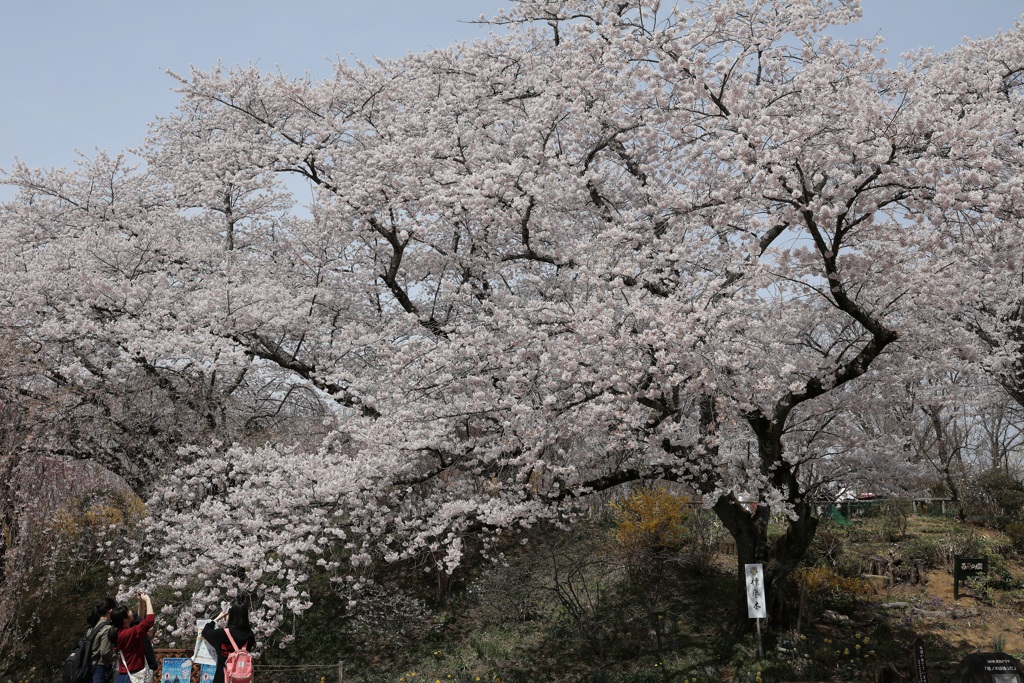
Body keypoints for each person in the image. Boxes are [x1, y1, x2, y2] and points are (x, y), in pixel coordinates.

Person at [201, 604, 256, 683]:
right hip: (244, 678)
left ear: (231, 616)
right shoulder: (250, 635)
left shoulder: (222, 633)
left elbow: (205, 631)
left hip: (223, 677)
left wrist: (216, 619)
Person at [110, 593, 155, 683]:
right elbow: (149, 620)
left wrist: (141, 602)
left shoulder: (120, 632)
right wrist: (148, 600)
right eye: (129, 611)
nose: (131, 612)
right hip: (133, 676)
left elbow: (139, 619)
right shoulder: (129, 633)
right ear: (125, 619)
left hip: (124, 675)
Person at [86, 597, 117, 683]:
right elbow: (104, 652)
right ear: (110, 611)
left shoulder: (92, 627)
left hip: (89, 666)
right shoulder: (107, 628)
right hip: (99, 666)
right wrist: (116, 657)